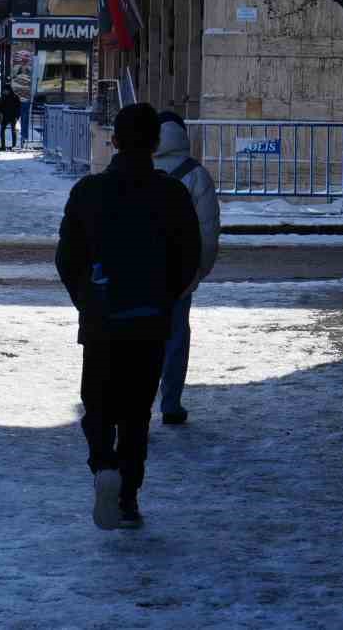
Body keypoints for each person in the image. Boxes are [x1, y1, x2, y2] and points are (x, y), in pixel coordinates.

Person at [56, 102, 201, 530]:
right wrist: (163, 295)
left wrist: (87, 298)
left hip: (102, 320)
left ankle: (103, 465)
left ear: (114, 141)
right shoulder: (171, 194)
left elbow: (67, 257)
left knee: (99, 403)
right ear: (155, 144)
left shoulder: (88, 192)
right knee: (137, 412)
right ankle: (128, 497)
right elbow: (188, 256)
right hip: (149, 320)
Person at [153, 111, 222, 426]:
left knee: (139, 338)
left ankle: (138, 402)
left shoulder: (139, 168)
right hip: (180, 272)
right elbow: (208, 232)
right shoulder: (197, 175)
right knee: (176, 338)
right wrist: (198, 274)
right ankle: (170, 403)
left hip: (139, 271)